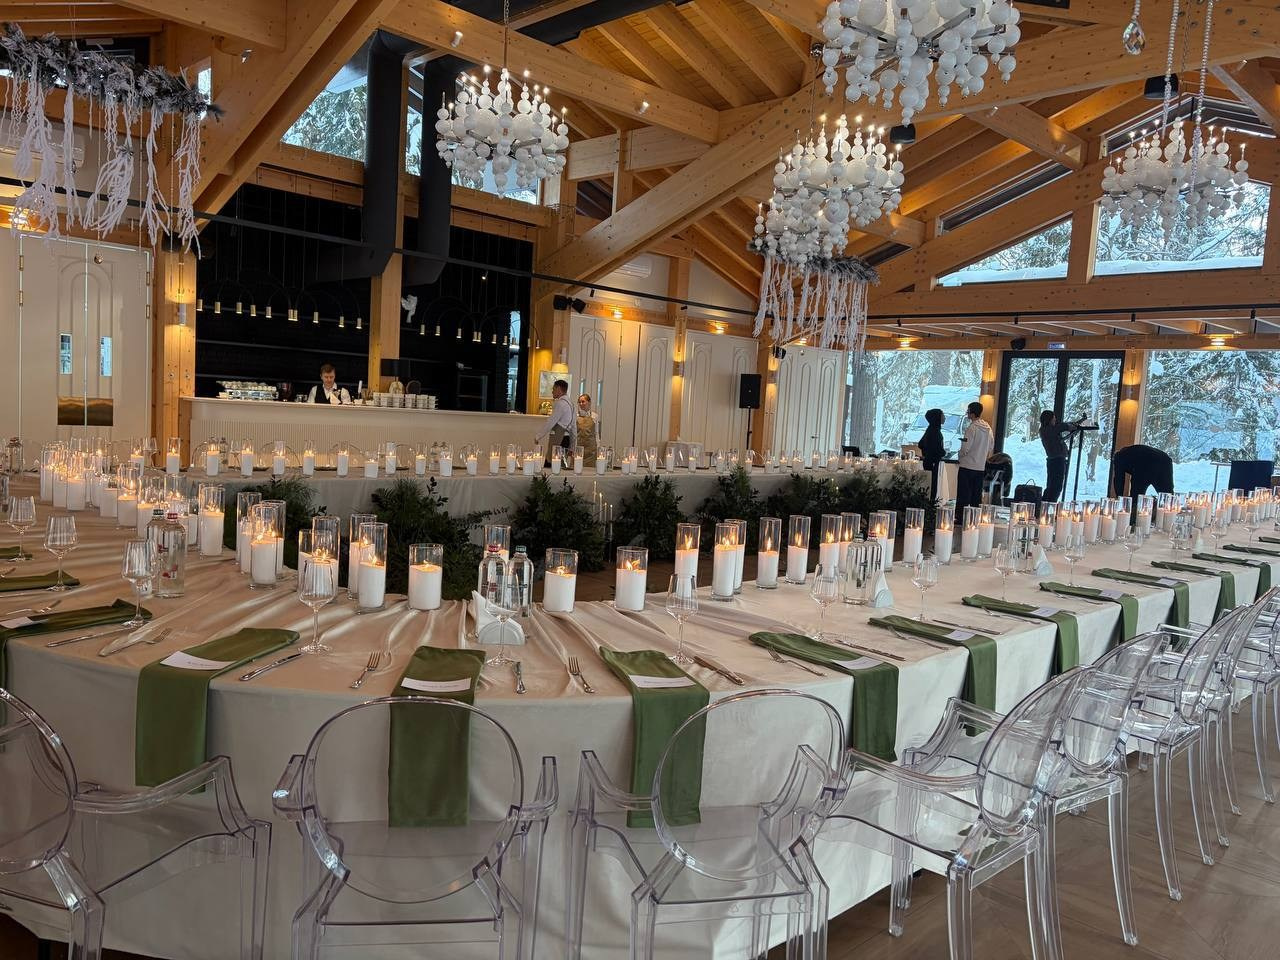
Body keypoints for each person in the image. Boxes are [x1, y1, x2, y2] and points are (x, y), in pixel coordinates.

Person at [955, 401, 993, 511]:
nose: (967, 413)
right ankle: (974, 516)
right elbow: (991, 447)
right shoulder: (988, 428)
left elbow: (965, 448)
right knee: (976, 497)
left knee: (963, 495)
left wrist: (959, 456)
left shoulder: (972, 428)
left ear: (972, 413)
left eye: (968, 411)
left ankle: (960, 516)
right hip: (980, 467)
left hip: (967, 466)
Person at [1039, 410, 1083, 503]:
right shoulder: (1047, 430)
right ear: (1049, 420)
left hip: (1056, 460)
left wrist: (1072, 426)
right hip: (1056, 461)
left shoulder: (1047, 430)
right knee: (1056, 487)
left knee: (1052, 486)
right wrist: (1070, 425)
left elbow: (1061, 428)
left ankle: (1046, 504)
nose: (1055, 420)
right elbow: (1061, 427)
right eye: (1053, 418)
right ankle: (1049, 505)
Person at [535, 379, 575, 465]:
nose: (552, 391)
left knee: (551, 465)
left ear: (559, 389)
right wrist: (572, 445)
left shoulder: (560, 403)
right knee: (560, 466)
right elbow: (573, 426)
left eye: (553, 389)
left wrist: (538, 436)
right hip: (566, 439)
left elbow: (551, 422)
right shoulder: (571, 404)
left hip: (559, 439)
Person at [917, 408, 946, 502]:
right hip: (932, 462)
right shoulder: (935, 431)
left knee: (929, 484)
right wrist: (943, 452)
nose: (944, 418)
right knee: (932, 485)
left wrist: (925, 453)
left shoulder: (930, 429)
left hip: (929, 461)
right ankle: (930, 505)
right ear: (937, 418)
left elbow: (920, 444)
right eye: (942, 415)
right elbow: (936, 449)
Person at [576, 393, 601, 461]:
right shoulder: (576, 416)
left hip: (591, 449)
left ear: (589, 403)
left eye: (583, 401)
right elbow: (573, 433)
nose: (581, 404)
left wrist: (598, 447)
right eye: (579, 402)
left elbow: (596, 433)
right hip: (579, 448)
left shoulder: (595, 416)